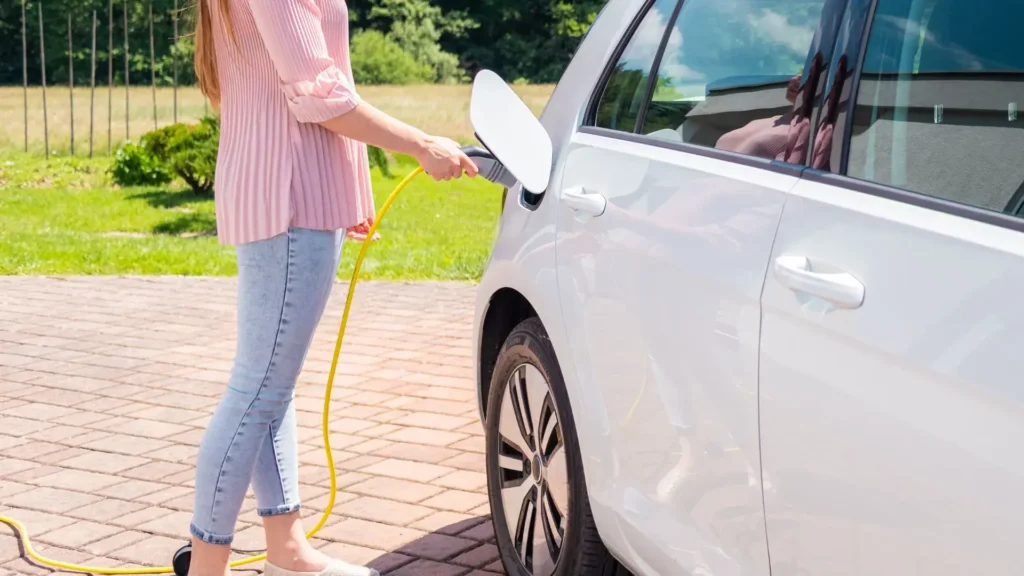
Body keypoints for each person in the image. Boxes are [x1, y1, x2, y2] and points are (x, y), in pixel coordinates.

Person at [187, 0, 479, 575]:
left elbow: (299, 83)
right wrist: (421, 143)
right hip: (289, 199)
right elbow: (319, 94)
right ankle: (205, 568)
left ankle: (287, 551)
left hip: (293, 194)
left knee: (271, 387)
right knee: (256, 391)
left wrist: (348, 187)